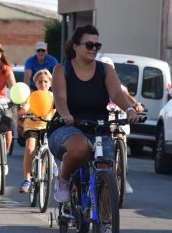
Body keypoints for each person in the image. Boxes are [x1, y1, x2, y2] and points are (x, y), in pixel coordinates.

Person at [48, 24, 140, 216]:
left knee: (107, 171)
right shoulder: (62, 69)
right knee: (81, 147)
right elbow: (60, 98)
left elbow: (116, 92)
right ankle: (63, 181)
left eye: (97, 46)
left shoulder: (105, 70)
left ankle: (106, 222)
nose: (93, 49)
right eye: (89, 45)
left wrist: (130, 109)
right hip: (68, 126)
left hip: (98, 127)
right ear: (76, 46)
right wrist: (65, 113)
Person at [99, 56, 144, 195]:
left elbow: (125, 95)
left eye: (109, 68)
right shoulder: (95, 84)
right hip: (104, 117)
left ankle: (122, 175)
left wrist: (136, 104)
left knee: (121, 139)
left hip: (118, 115)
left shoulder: (118, 84)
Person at [19, 69, 55, 193]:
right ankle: (27, 179)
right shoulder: (32, 96)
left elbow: (60, 107)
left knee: (50, 148)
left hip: (48, 126)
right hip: (32, 126)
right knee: (30, 148)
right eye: (40, 82)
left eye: (46, 81)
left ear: (50, 83)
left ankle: (44, 173)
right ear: (36, 83)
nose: (43, 84)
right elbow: (25, 107)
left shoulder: (53, 97)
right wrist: (23, 112)